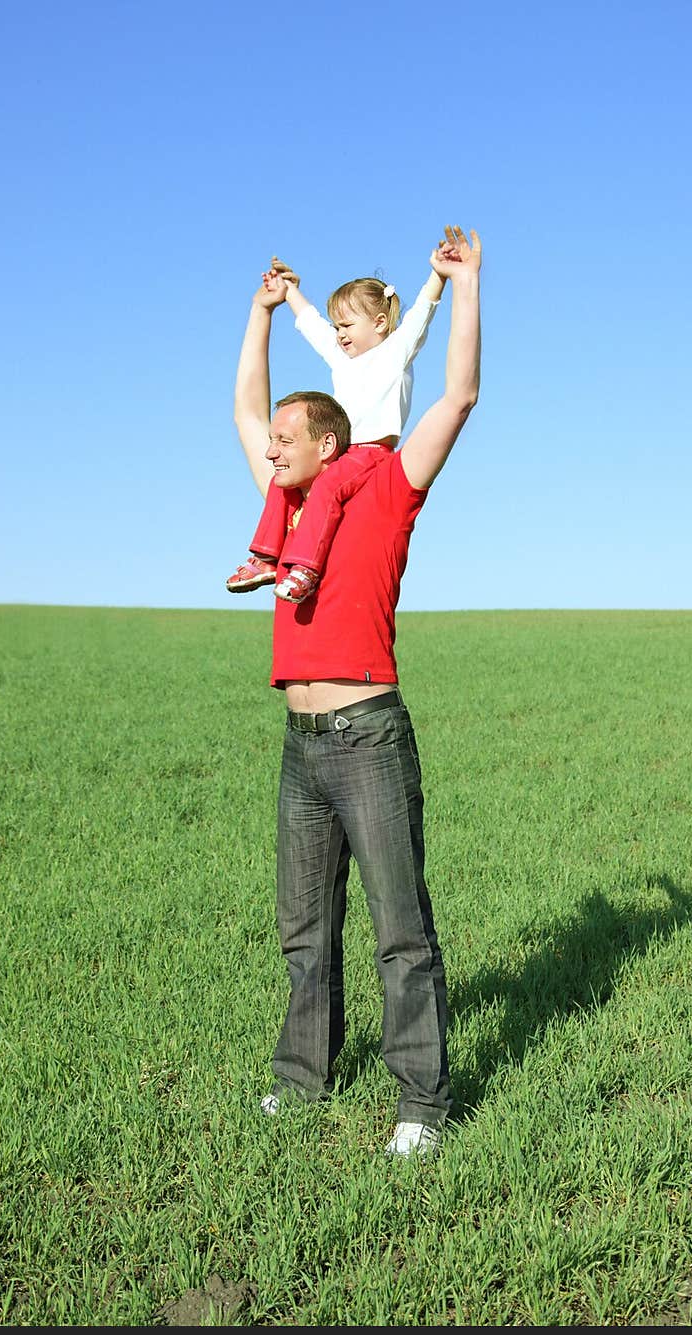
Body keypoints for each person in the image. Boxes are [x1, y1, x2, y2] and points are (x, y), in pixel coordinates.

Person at [232, 225, 482, 1157]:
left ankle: (421, 1101)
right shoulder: (288, 503)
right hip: (300, 747)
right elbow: (247, 413)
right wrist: (259, 317)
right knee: (306, 931)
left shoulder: (385, 485)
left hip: (369, 734)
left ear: (330, 438)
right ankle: (302, 1080)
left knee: (399, 930)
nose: (274, 448)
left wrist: (465, 288)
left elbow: (457, 395)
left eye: (292, 439)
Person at [226, 253, 446, 604]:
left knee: (326, 487)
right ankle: (267, 557)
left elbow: (422, 312)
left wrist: (438, 274)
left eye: (346, 325)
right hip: (342, 453)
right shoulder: (342, 361)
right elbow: (312, 325)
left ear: (378, 323)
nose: (339, 333)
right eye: (337, 326)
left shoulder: (396, 352)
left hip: (372, 453)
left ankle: (306, 567)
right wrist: (289, 292)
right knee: (284, 485)